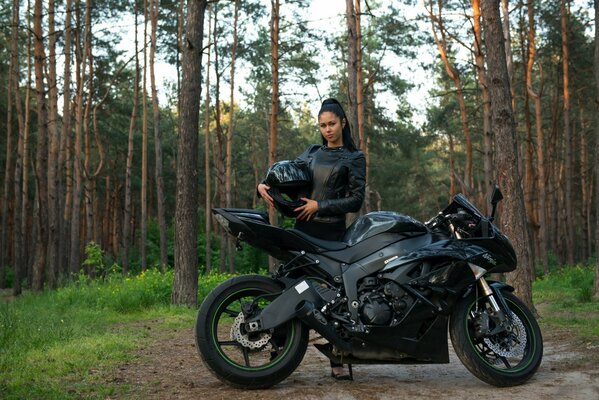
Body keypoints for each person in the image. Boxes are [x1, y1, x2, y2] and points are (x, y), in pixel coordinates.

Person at [257, 98, 366, 380]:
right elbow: (287, 174)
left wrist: (320, 206)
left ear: (343, 123)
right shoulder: (311, 152)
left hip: (333, 234)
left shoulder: (354, 158)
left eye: (331, 124)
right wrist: (263, 184)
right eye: (322, 125)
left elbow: (356, 200)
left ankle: (338, 358)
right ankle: (278, 351)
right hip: (303, 230)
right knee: (286, 287)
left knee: (336, 298)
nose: (327, 129)